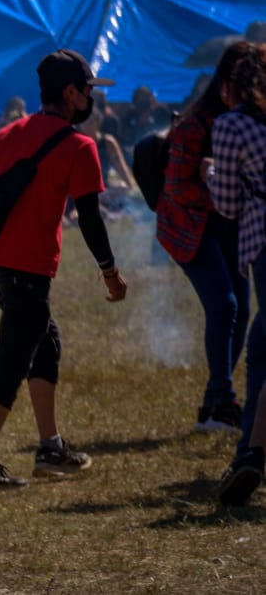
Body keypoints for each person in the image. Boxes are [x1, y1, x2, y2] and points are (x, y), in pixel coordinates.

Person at [0, 50, 128, 490]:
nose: (92, 98)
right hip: (27, 270)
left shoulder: (9, 134)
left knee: (43, 343)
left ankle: (51, 447)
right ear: (70, 93)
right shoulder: (79, 146)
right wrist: (109, 271)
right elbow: (89, 217)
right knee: (11, 361)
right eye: (88, 90)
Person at [158, 41, 255, 433]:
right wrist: (224, 193)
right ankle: (222, 400)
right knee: (225, 306)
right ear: (226, 85)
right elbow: (178, 189)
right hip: (191, 228)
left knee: (242, 313)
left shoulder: (247, 121)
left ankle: (217, 399)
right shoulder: (194, 126)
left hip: (229, 224)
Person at [207, 43, 266, 504]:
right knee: (261, 341)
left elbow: (226, 204)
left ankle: (251, 456)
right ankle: (249, 449)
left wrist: (211, 175)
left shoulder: (231, 126)